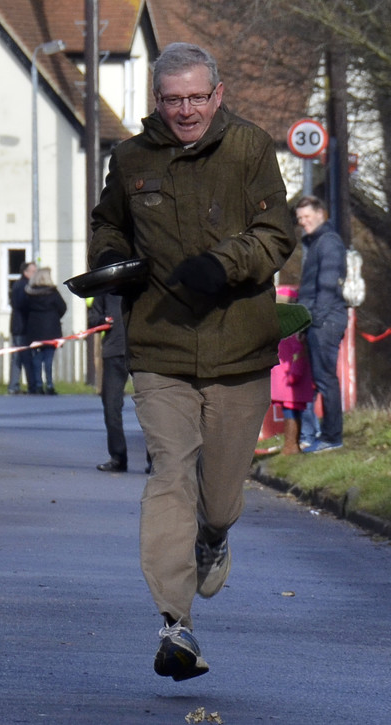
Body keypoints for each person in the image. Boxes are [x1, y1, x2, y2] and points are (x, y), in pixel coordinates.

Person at [89, 42, 296, 681]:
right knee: (169, 473)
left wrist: (224, 264)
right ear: (157, 100)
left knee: (222, 497)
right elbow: (107, 226)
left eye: (196, 98)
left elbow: (277, 235)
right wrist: (115, 264)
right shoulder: (130, 158)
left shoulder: (251, 149)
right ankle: (175, 624)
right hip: (160, 347)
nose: (185, 110)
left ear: (217, 94)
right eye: (173, 99)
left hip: (239, 349)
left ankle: (214, 538)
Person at [294, 196, 348, 453]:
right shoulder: (318, 243)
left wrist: (313, 321)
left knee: (326, 379)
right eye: (300, 219)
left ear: (320, 214)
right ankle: (323, 434)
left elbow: (326, 288)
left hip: (325, 320)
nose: (303, 222)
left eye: (307, 217)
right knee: (321, 379)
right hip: (318, 320)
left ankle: (331, 436)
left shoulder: (328, 243)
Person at [88, 293, 129, 472]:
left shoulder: (141, 282)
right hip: (114, 351)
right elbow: (93, 319)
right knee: (111, 405)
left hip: (141, 351)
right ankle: (118, 457)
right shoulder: (105, 289)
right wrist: (103, 320)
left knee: (150, 407)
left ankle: (154, 459)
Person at [271, 286, 313, 455]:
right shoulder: (295, 328)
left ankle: (290, 445)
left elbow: (298, 354)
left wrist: (295, 373)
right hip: (290, 379)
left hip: (289, 380)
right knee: (293, 410)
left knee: (290, 411)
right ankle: (292, 443)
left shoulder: (286, 330)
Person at [20, 267, 67, 395]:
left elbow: (23, 309)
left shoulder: (30, 293)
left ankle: (38, 385)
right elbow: (63, 307)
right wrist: (54, 317)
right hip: (52, 330)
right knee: (48, 360)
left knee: (36, 359)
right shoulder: (53, 293)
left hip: (35, 330)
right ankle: (50, 385)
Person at [7, 262, 36, 394]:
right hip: (21, 327)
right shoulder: (24, 286)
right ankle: (30, 385)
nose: (35, 274)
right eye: (33, 271)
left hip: (19, 326)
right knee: (24, 357)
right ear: (26, 272)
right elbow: (21, 305)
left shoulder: (18, 285)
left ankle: (15, 385)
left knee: (19, 357)